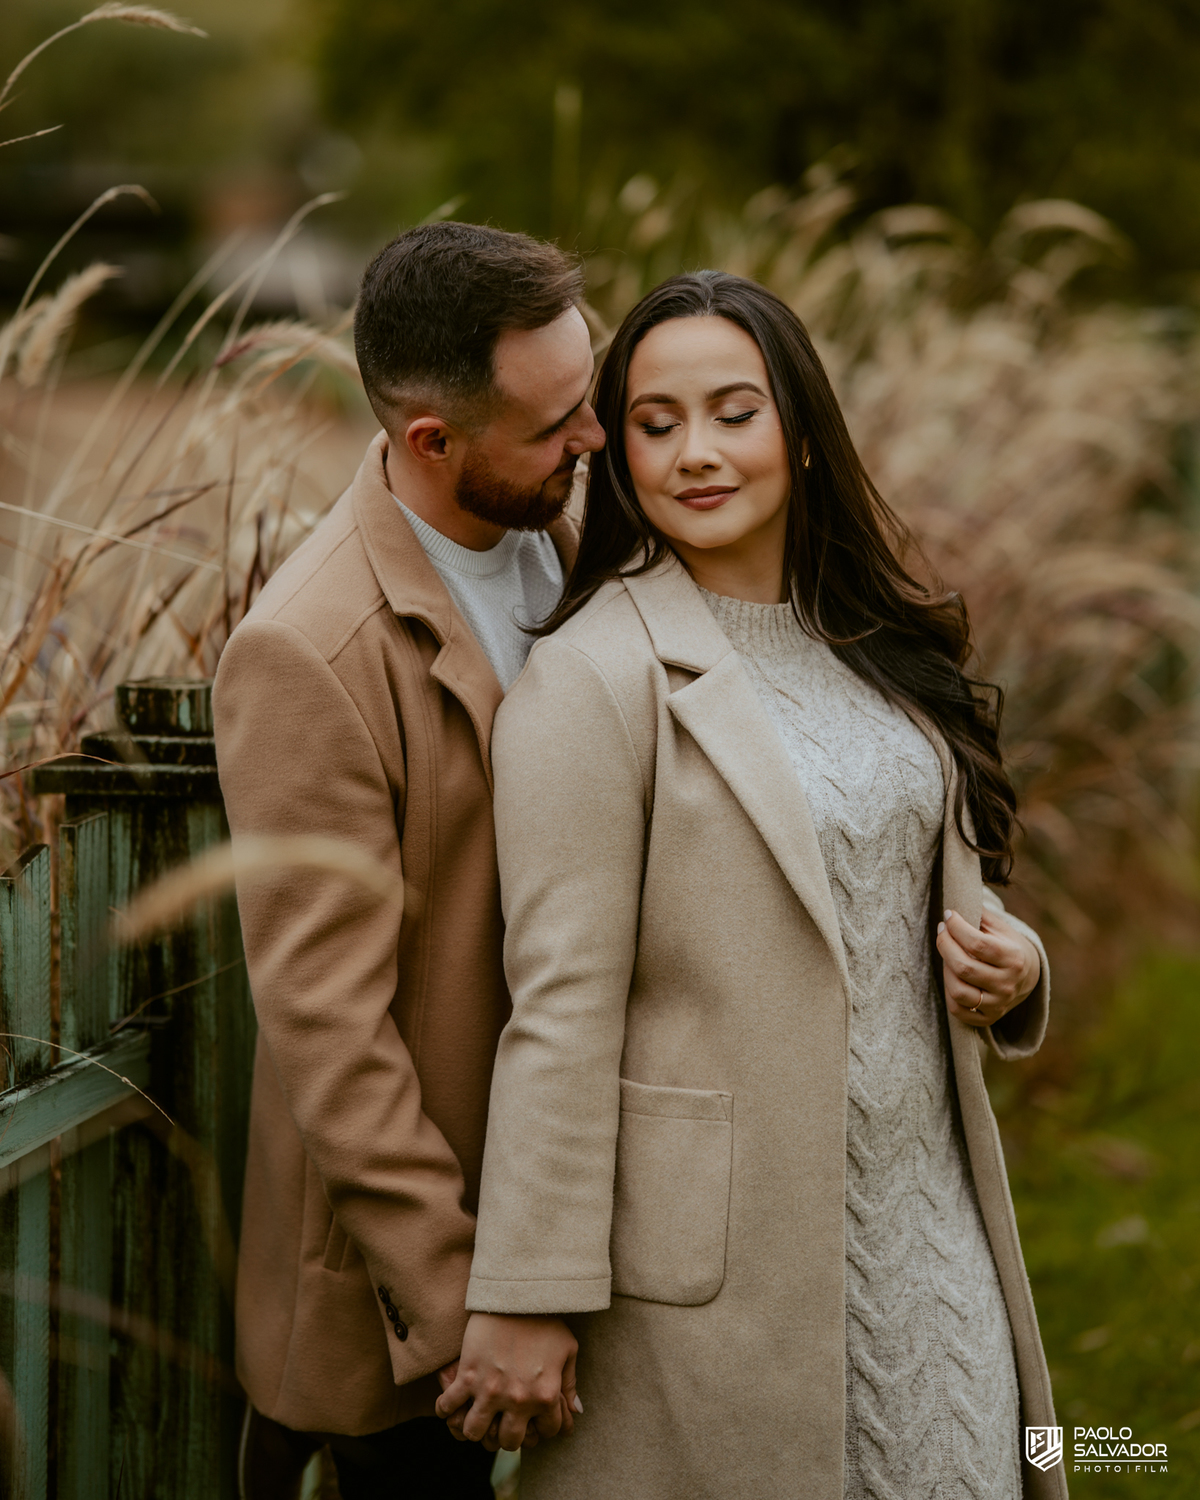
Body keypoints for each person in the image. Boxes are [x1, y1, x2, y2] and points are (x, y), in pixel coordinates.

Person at [437, 271, 1068, 1499]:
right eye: (656, 423)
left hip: (934, 1227)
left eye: (735, 412)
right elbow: (558, 1008)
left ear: (803, 431)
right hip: (726, 1278)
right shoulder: (593, 679)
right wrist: (527, 1295)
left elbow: (913, 884)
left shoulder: (874, 644)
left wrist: (1018, 962)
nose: (695, 454)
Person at [212, 221, 603, 1500]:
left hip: (562, 1215)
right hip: (414, 1312)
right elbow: (329, 1029)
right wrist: (464, 1306)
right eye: (557, 425)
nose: (592, 442)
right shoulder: (306, 656)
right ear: (432, 440)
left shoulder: (561, 537)